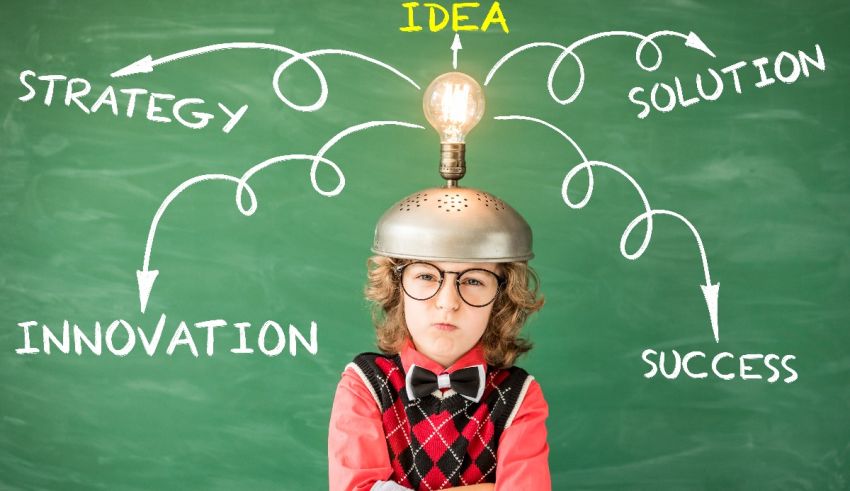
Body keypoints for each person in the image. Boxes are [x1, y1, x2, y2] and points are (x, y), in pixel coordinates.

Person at [327, 204, 551, 489]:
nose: (448, 302)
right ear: (397, 285)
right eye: (426, 276)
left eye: (472, 280)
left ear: (501, 297)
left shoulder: (518, 395)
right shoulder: (365, 383)